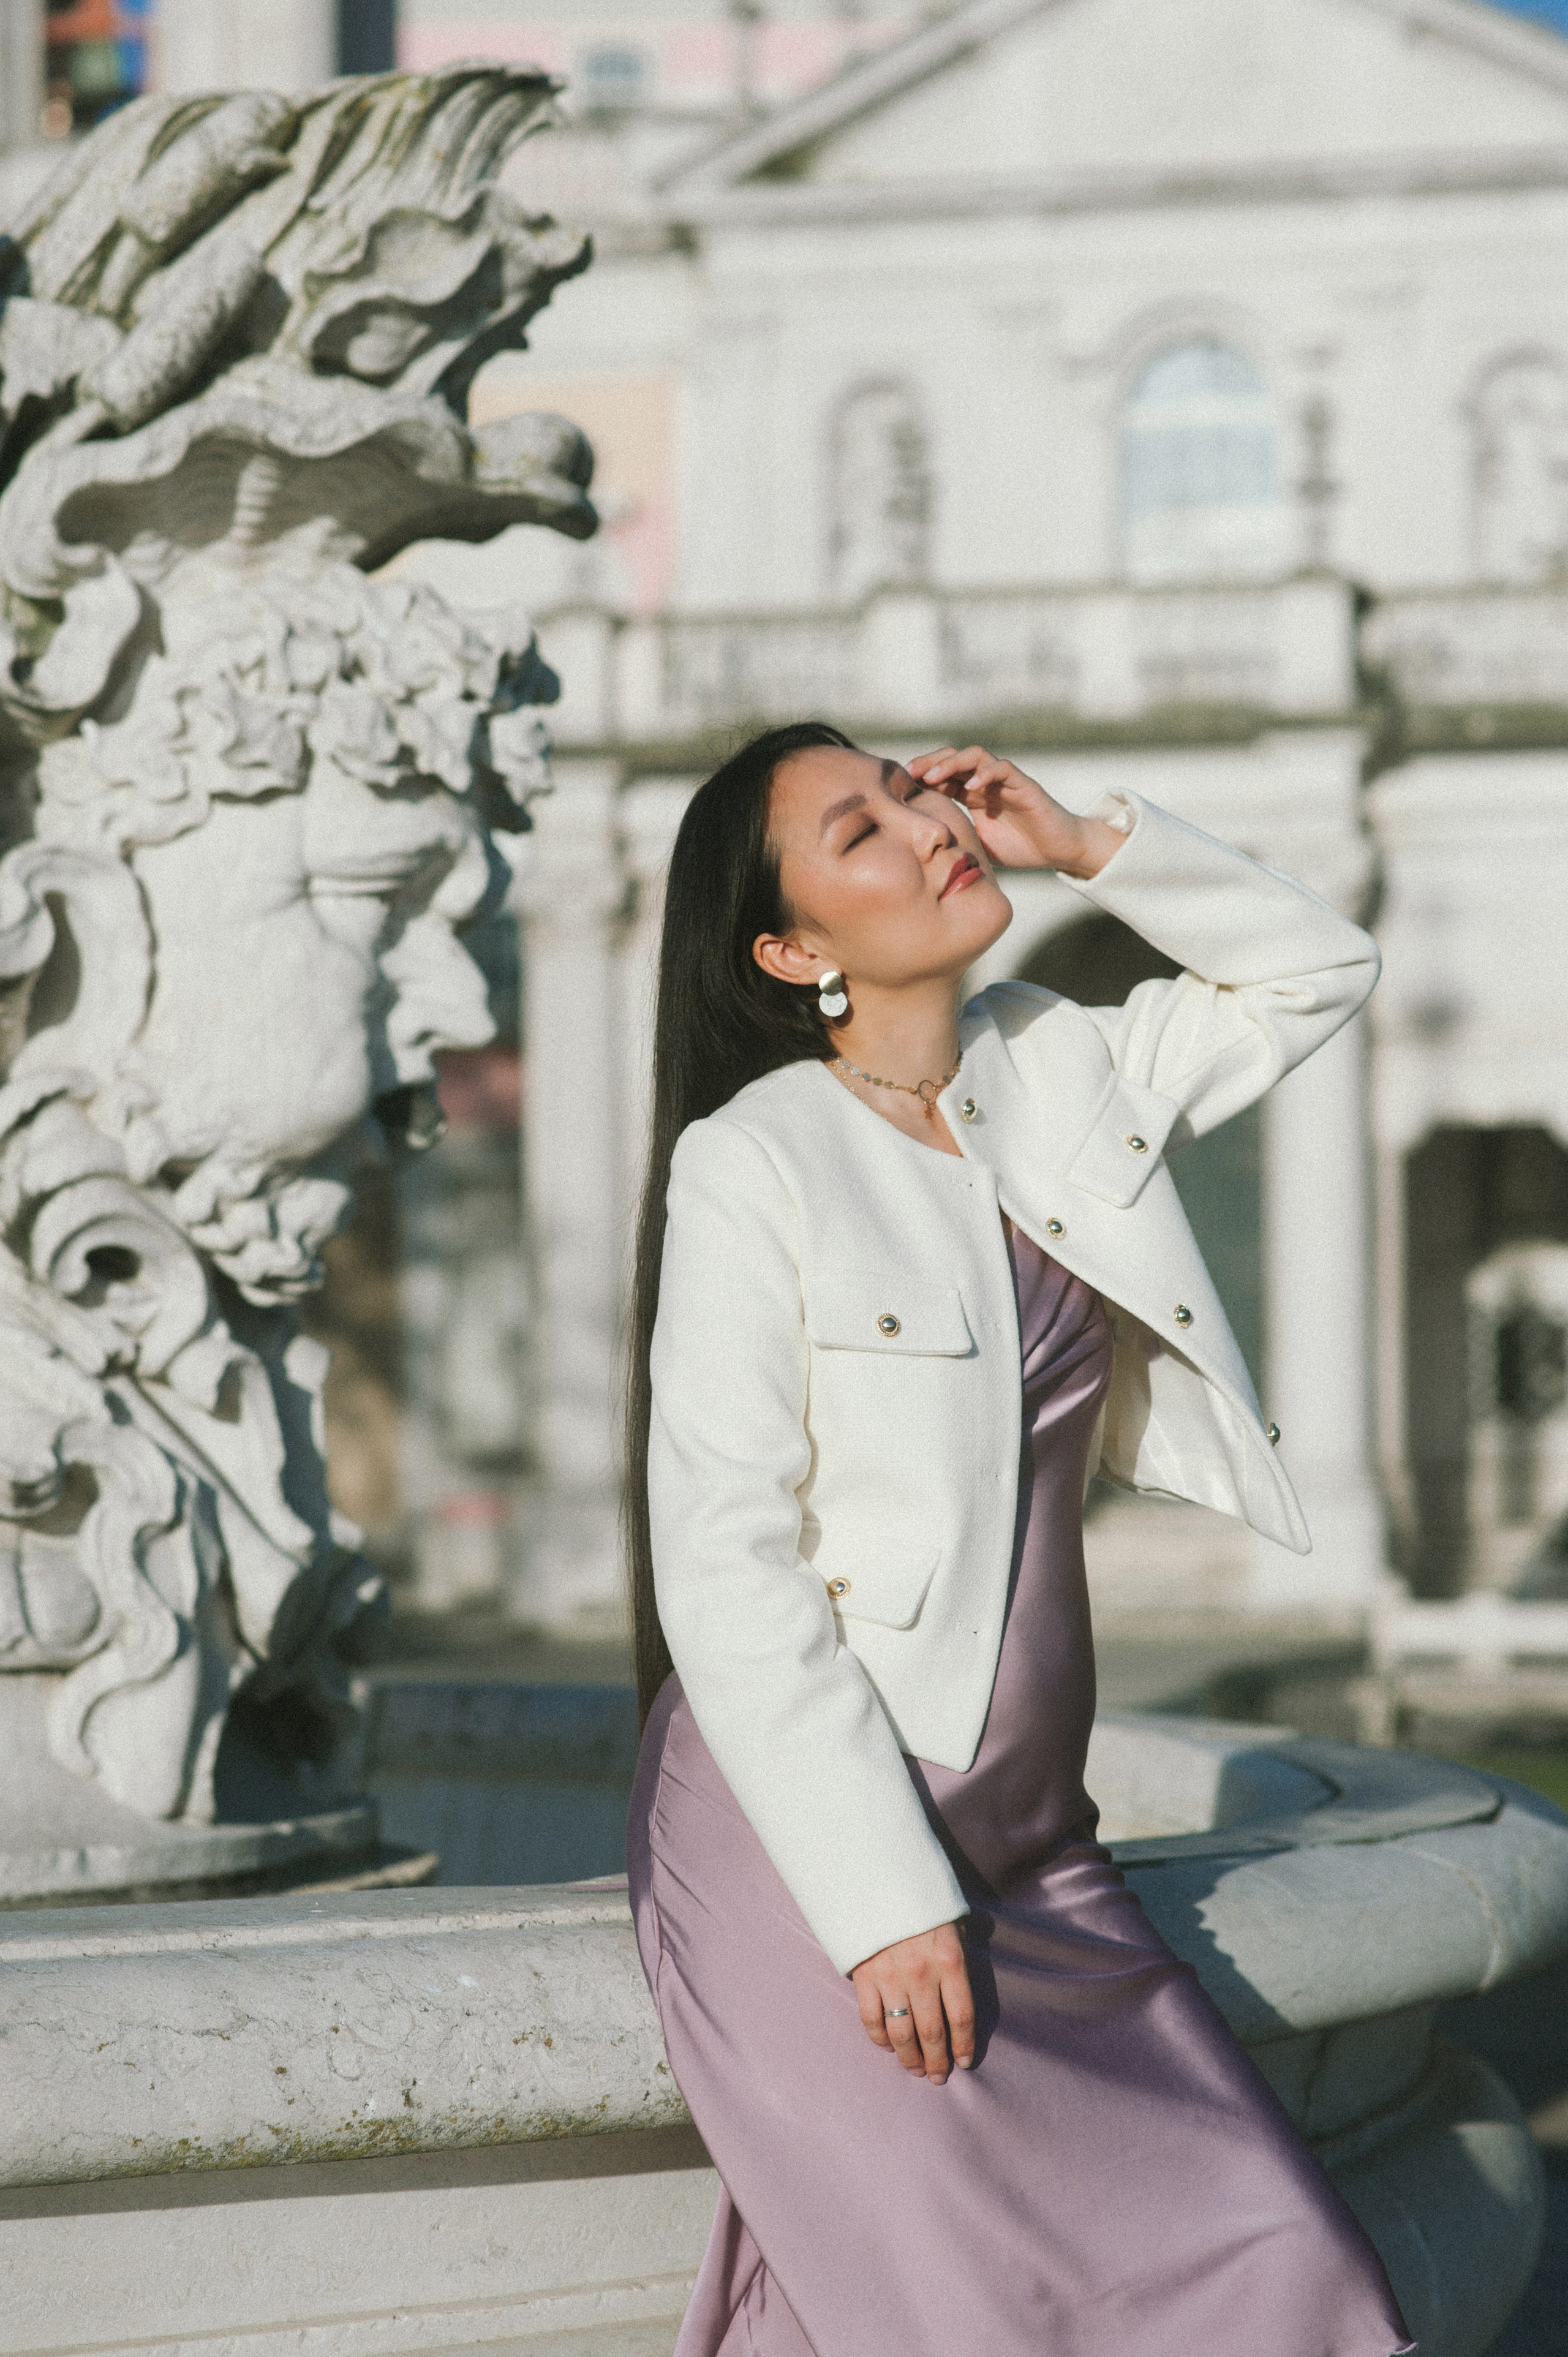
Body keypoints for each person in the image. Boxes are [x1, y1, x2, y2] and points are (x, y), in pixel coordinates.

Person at [625, 723, 1412, 2357]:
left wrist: (1086, 841)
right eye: (862, 832)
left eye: (906, 790)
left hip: (1041, 1838)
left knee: (1285, 2259)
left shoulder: (1055, 1063)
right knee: (961, 2320)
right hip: (814, 1840)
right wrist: (878, 1901)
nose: (927, 827)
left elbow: (1318, 969)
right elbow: (723, 1555)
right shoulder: (756, 1160)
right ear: (792, 953)